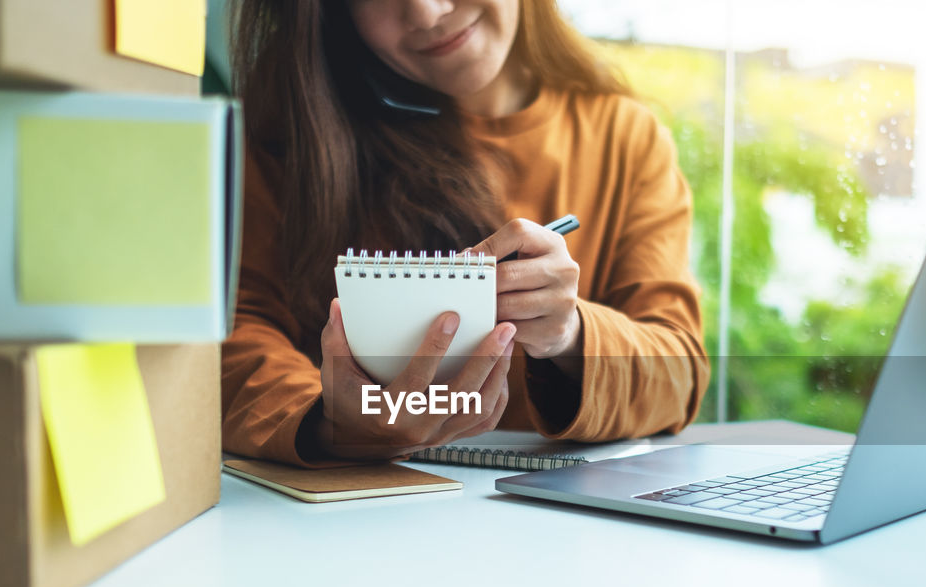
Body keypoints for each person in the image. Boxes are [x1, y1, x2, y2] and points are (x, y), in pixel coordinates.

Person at [224, 0, 709, 465]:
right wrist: (330, 419)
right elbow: (228, 336)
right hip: (354, 507)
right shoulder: (295, 136)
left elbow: (679, 372)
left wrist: (570, 334)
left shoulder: (625, 137)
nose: (425, 12)